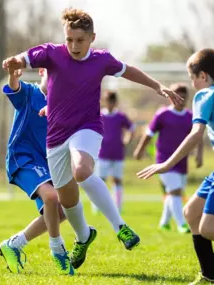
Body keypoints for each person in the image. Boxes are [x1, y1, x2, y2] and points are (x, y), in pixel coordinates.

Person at [3, 7, 182, 270]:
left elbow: (128, 69)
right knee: (67, 201)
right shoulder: (52, 53)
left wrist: (157, 86)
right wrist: (14, 62)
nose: (74, 45)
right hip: (56, 140)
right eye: (69, 39)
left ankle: (120, 226)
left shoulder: (101, 60)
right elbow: (25, 57)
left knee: (82, 170)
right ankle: (84, 237)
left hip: (87, 129)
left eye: (80, 40)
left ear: (92, 38)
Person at [137, 48, 214, 285]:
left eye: (192, 78)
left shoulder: (204, 95)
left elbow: (195, 134)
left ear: (202, 75)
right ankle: (210, 275)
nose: (192, 83)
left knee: (209, 229)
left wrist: (167, 163)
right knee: (191, 213)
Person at [0, 67, 74, 275]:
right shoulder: (30, 93)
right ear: (42, 71)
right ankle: (57, 249)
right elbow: (14, 87)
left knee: (63, 211)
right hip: (22, 158)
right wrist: (13, 74)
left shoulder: (62, 106)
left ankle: (14, 244)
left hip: (47, 164)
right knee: (51, 197)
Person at [134, 83, 203, 233]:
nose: (180, 99)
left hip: (181, 162)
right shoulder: (162, 114)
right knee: (175, 191)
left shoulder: (190, 116)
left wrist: (199, 155)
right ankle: (182, 224)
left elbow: (198, 137)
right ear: (171, 97)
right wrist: (140, 150)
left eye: (183, 96)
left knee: (174, 193)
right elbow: (149, 134)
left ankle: (164, 222)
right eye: (177, 96)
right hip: (163, 160)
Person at [92, 91, 134, 213]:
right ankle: (98, 206)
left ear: (115, 102)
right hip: (102, 153)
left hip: (117, 154)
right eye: (107, 101)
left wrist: (126, 140)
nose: (109, 103)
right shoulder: (99, 115)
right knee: (100, 180)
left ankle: (118, 207)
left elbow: (131, 129)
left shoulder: (120, 116)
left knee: (117, 180)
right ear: (104, 102)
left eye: (112, 101)